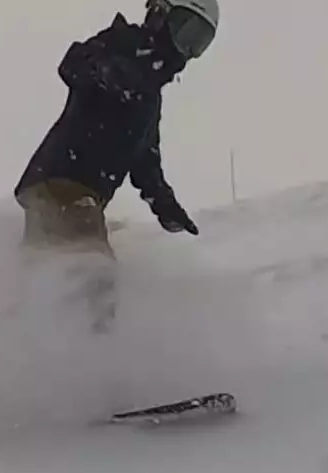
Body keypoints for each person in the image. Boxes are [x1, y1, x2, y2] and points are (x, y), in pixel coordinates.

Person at [14, 0, 220, 331]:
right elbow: (73, 63)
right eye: (186, 33)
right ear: (162, 14)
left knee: (48, 268)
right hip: (63, 180)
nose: (186, 51)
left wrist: (165, 204)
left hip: (71, 190)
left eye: (197, 43)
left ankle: (22, 334)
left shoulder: (150, 95)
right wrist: (105, 71)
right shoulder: (124, 43)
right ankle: (92, 348)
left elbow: (146, 159)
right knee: (94, 268)